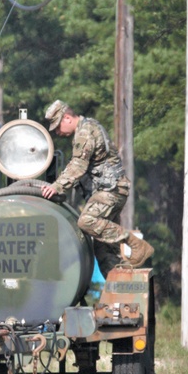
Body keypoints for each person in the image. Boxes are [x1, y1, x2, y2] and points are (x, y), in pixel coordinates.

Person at [40, 100, 154, 269]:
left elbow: (78, 165)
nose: (57, 132)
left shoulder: (85, 133)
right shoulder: (88, 127)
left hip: (110, 190)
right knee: (103, 250)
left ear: (67, 118)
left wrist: (56, 187)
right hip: (111, 189)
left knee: (87, 221)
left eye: (58, 126)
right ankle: (119, 283)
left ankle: (136, 244)